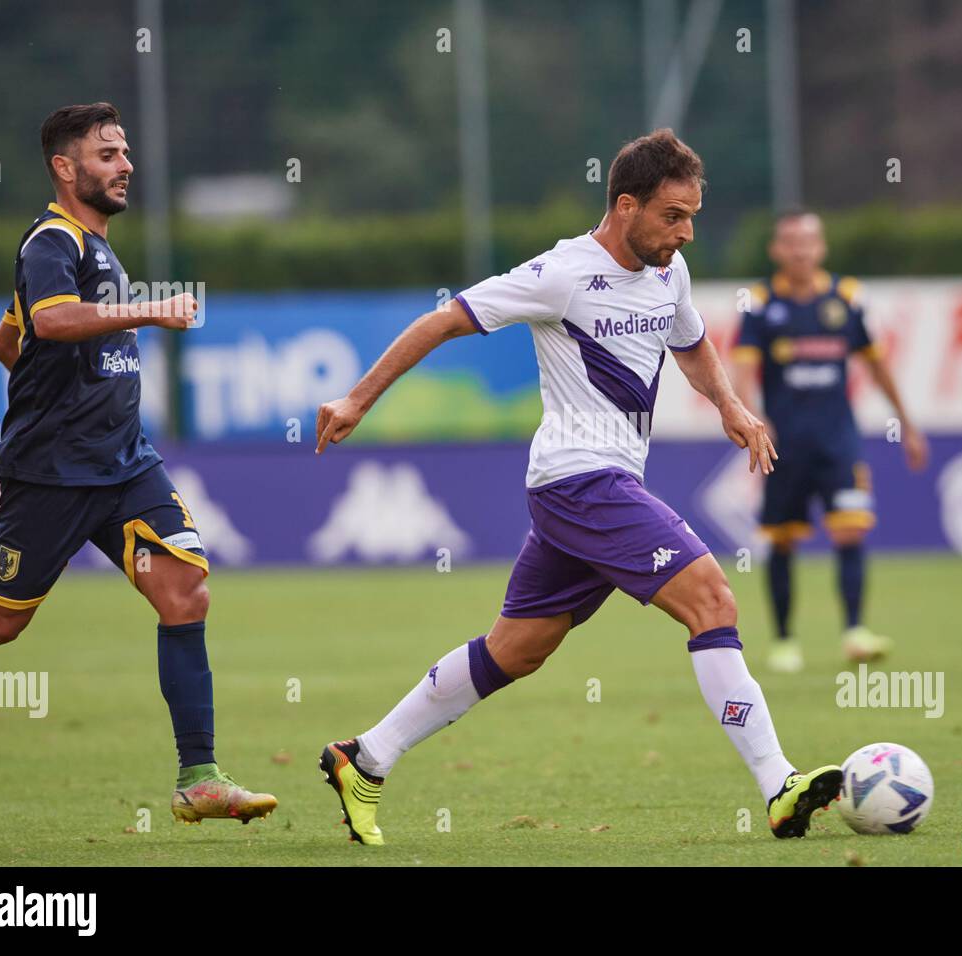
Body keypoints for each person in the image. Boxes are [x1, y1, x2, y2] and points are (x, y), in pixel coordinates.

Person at [313, 130, 842, 846]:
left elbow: (691, 345)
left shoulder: (668, 272)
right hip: (578, 480)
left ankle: (364, 756)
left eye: (691, 217)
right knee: (713, 598)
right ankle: (779, 785)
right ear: (626, 205)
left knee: (517, 648)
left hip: (597, 486)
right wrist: (356, 400)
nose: (685, 234)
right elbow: (445, 320)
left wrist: (732, 408)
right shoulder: (561, 273)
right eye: (672, 216)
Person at [0, 103, 276, 826]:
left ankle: (201, 778)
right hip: (53, 475)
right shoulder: (51, 242)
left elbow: (12, 341)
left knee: (185, 591)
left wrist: (57, 379)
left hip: (125, 467)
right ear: (65, 169)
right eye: (106, 154)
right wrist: (150, 312)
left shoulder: (97, 248)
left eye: (124, 152)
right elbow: (54, 320)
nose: (124, 165)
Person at [732, 211, 927, 671]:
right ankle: (783, 640)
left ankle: (855, 631)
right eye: (791, 243)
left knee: (850, 528)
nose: (801, 251)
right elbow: (741, 370)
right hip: (782, 444)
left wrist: (908, 424)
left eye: (809, 242)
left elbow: (877, 366)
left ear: (821, 248)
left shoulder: (846, 298)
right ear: (776, 250)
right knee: (781, 540)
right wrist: (752, 417)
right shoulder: (761, 304)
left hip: (838, 440)